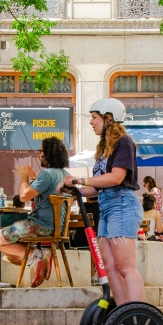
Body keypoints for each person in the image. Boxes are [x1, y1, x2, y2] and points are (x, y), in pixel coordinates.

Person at [61, 98, 145, 305]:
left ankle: (135, 311)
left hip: (122, 204)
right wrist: (76, 191)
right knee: (109, 266)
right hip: (106, 206)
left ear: (109, 118)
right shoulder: (103, 148)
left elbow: (116, 178)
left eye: (95, 117)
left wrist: (80, 179)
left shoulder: (124, 142)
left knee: (125, 266)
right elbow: (97, 188)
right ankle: (121, 310)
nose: (91, 122)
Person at [0, 136, 70, 287]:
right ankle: (36, 258)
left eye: (40, 151)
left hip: (40, 226)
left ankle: (35, 255)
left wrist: (24, 179)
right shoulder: (64, 174)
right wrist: (34, 177)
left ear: (47, 153)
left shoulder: (47, 174)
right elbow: (47, 190)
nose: (38, 154)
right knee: (10, 250)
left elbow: (23, 196)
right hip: (57, 229)